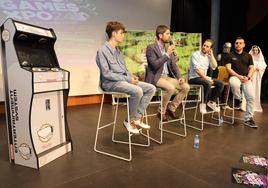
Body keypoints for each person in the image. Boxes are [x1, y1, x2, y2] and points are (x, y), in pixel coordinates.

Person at [96, 21, 156, 134]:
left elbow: (124, 70)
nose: (123, 35)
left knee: (151, 88)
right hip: (110, 83)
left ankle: (137, 117)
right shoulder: (102, 51)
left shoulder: (118, 51)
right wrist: (128, 79)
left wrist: (131, 76)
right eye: (121, 33)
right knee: (137, 91)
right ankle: (129, 120)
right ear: (114, 34)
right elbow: (107, 74)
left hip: (123, 81)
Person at [145, 25, 190, 122]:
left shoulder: (167, 48)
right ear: (160, 35)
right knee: (171, 88)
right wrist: (166, 54)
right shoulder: (151, 48)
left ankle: (171, 108)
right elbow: (154, 65)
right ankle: (161, 112)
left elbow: (173, 65)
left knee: (186, 87)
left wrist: (179, 77)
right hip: (156, 77)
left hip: (167, 77)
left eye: (170, 34)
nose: (169, 36)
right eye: (167, 34)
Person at [224, 37, 256, 128]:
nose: (238, 44)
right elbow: (228, 68)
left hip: (246, 78)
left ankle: (248, 119)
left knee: (251, 97)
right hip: (234, 77)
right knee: (235, 84)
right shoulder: (230, 55)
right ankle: (238, 99)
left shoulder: (248, 56)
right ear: (234, 44)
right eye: (236, 43)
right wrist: (238, 76)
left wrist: (248, 77)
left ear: (244, 45)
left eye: (240, 43)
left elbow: (252, 68)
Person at [188, 39, 224, 113]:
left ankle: (211, 102)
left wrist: (212, 55)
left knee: (220, 83)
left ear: (210, 49)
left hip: (203, 78)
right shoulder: (195, 54)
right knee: (207, 83)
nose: (204, 47)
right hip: (194, 78)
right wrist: (206, 78)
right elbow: (197, 70)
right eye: (204, 45)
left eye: (207, 46)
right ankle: (202, 105)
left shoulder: (208, 56)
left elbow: (214, 66)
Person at [247, 45, 266, 112]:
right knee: (248, 90)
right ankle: (246, 105)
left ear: (258, 51)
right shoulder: (249, 57)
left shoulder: (260, 59)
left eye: (256, 50)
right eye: (254, 50)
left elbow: (263, 66)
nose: (255, 51)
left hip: (257, 78)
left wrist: (258, 68)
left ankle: (255, 106)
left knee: (255, 90)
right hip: (250, 76)